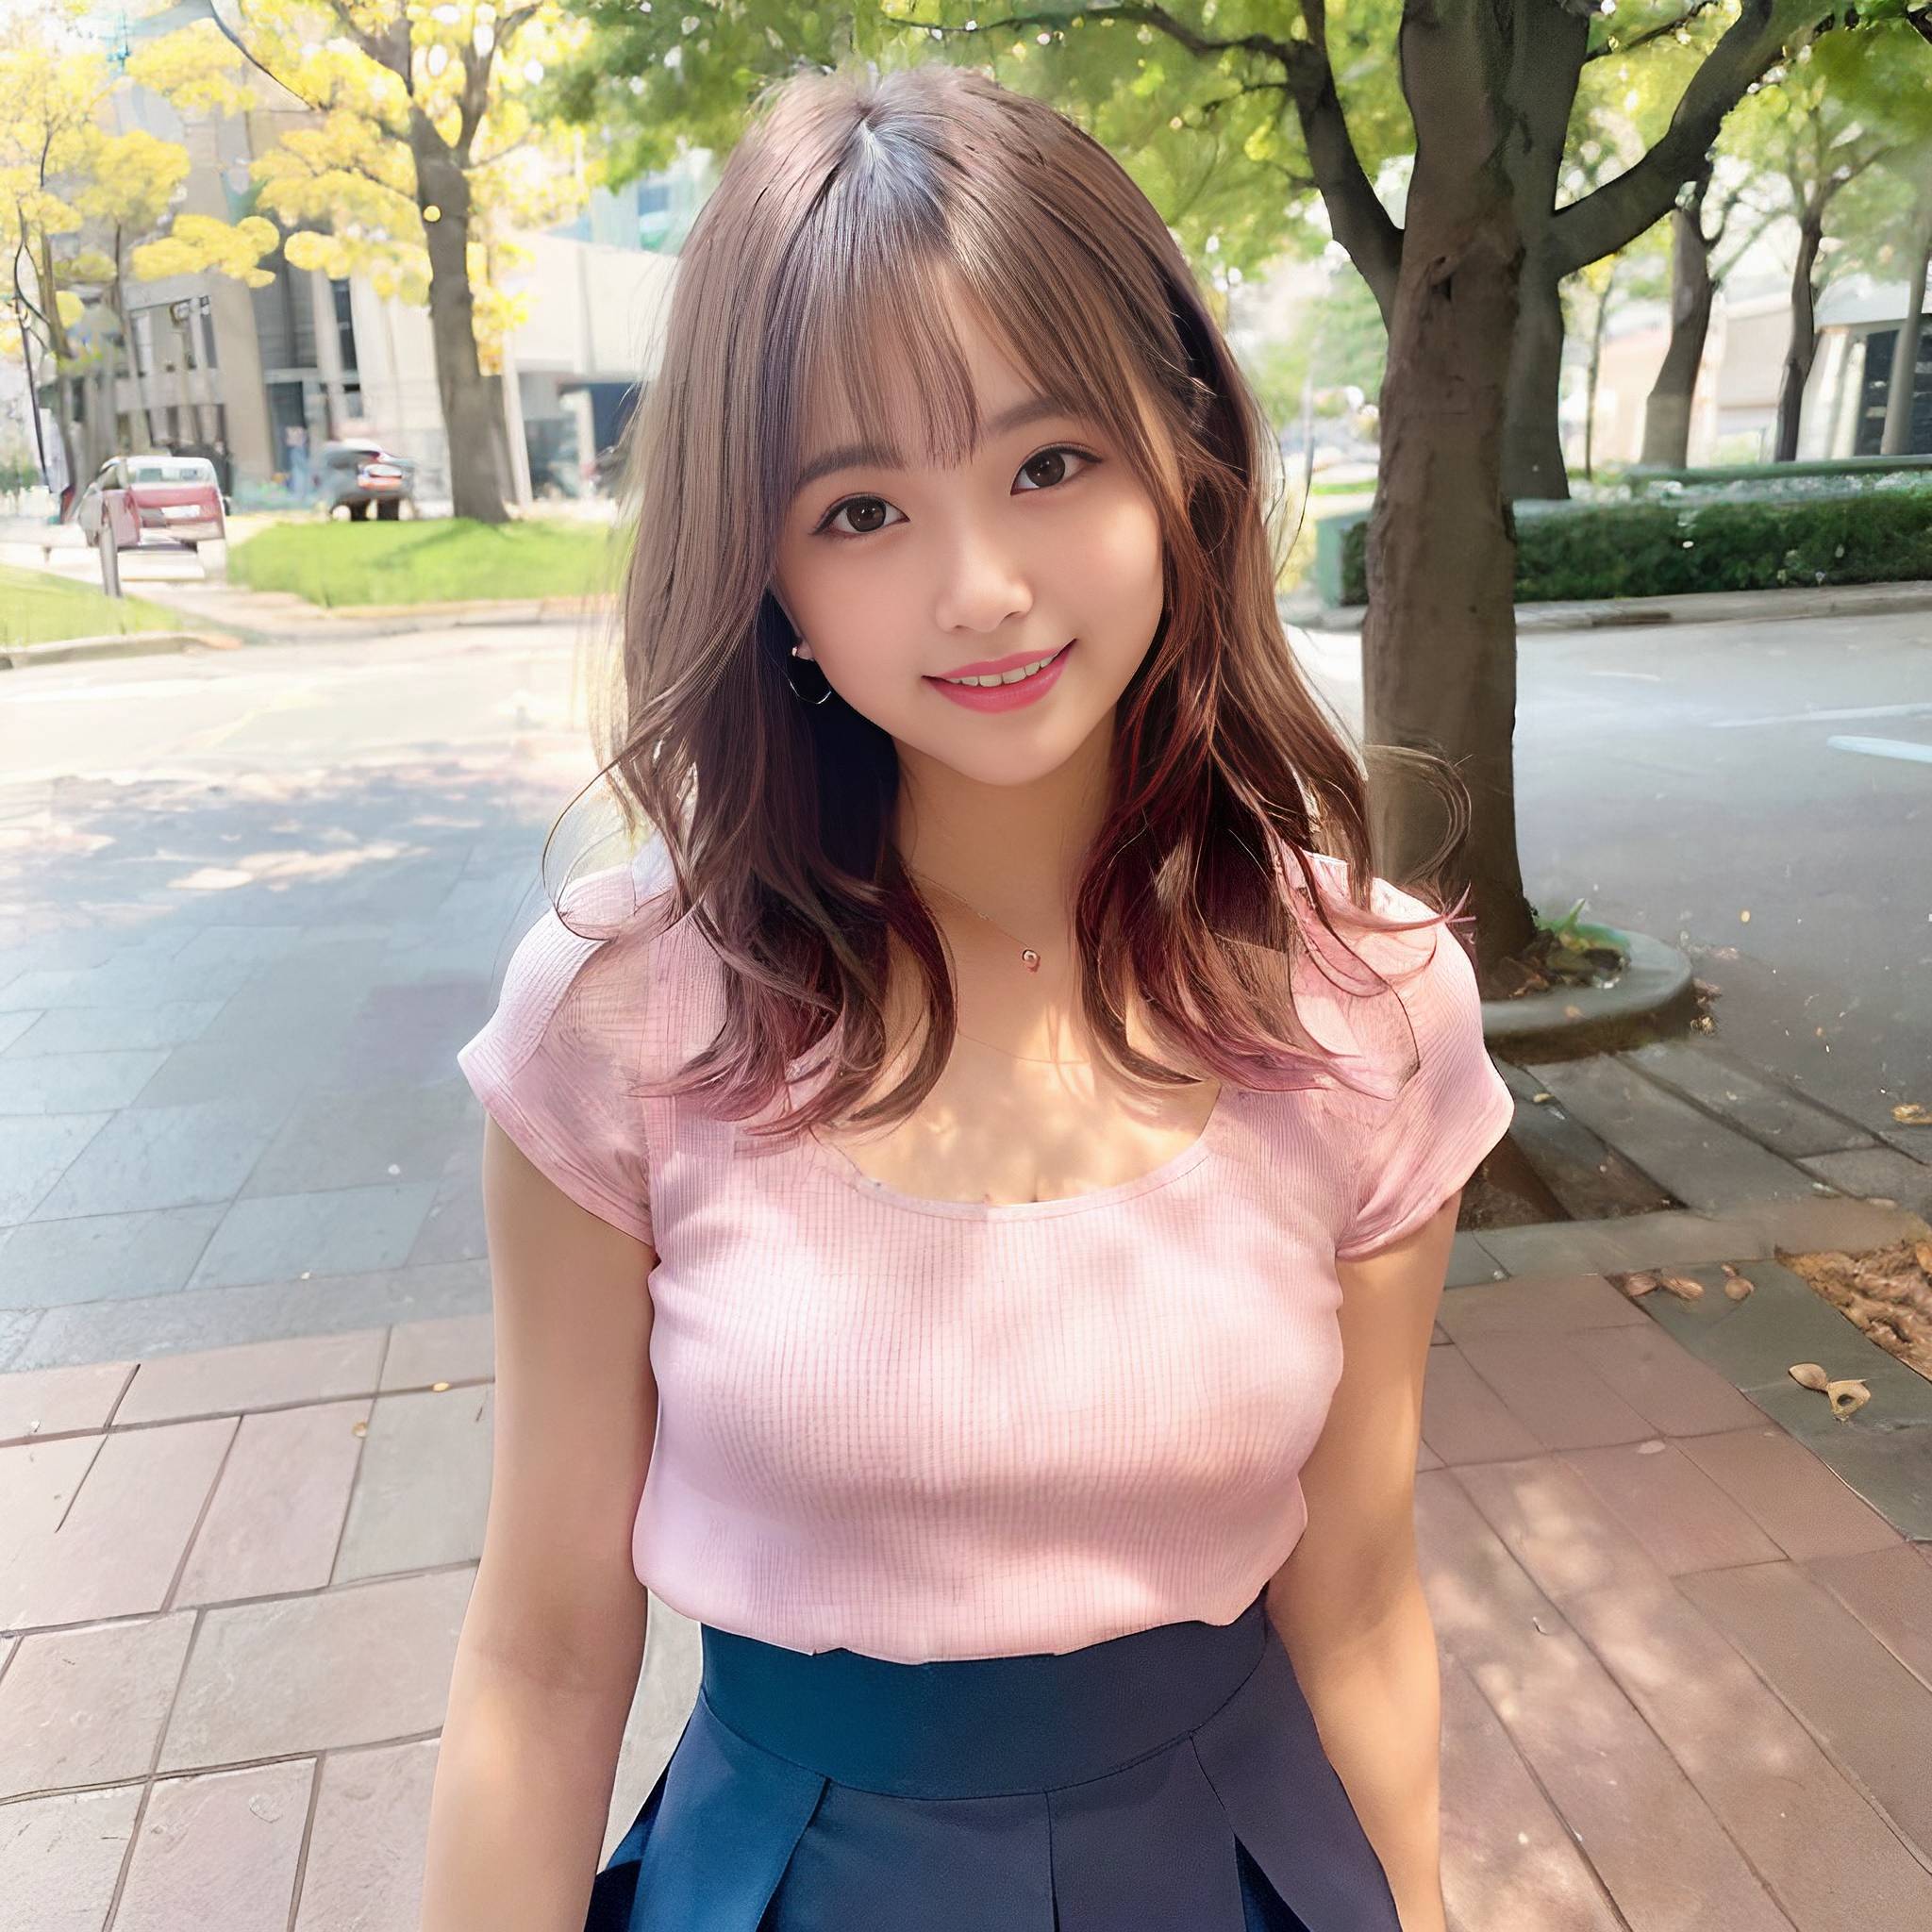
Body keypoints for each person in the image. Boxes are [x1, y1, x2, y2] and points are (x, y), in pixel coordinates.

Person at [419, 59, 1514, 1932]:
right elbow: (541, 1660)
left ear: (1183, 456)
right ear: (761, 564)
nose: (982, 586)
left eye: (1048, 462)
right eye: (860, 511)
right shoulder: (619, 1018)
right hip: (788, 1879)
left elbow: (1358, 1597)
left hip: (1231, 1865)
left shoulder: (1369, 997)